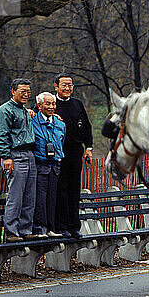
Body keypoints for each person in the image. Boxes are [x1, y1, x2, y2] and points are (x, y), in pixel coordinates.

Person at [0, 78, 37, 242]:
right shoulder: (4, 110)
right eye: (22, 92)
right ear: (13, 91)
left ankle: (25, 229)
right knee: (16, 195)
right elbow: (1, 135)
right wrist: (6, 157)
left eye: (28, 92)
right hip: (15, 155)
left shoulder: (25, 111)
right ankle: (11, 231)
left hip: (29, 154)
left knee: (29, 195)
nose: (26, 95)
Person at [54, 73, 93, 238]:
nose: (67, 88)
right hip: (57, 153)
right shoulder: (50, 103)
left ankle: (74, 226)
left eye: (70, 85)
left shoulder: (77, 104)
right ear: (56, 86)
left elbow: (86, 127)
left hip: (75, 151)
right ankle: (61, 226)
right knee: (60, 189)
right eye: (64, 85)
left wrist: (88, 147)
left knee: (74, 189)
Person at [32, 92, 66, 238]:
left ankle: (51, 228)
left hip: (55, 165)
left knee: (53, 197)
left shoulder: (60, 124)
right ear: (40, 106)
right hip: (40, 165)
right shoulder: (32, 121)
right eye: (48, 103)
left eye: (53, 103)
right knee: (40, 198)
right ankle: (40, 228)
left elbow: (61, 142)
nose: (51, 107)